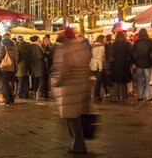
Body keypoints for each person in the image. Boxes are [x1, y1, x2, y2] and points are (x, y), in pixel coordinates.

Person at [51, 27, 92, 155]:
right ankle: (78, 143)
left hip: (69, 87)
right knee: (76, 116)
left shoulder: (64, 50)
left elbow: (62, 70)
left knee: (72, 117)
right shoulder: (82, 48)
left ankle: (78, 145)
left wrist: (56, 83)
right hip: (81, 85)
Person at [132, 28, 152, 101]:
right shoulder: (150, 42)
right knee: (148, 81)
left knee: (140, 80)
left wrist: (134, 62)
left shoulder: (136, 42)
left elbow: (133, 53)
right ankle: (148, 96)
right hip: (148, 63)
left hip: (138, 63)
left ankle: (140, 96)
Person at [110, 31, 133, 102]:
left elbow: (111, 55)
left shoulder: (114, 45)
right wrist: (130, 63)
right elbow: (130, 55)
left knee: (116, 81)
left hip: (116, 65)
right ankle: (124, 96)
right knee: (124, 81)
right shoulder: (127, 44)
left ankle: (116, 96)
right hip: (125, 65)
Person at [0, 33, 17, 107]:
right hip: (11, 67)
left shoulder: (3, 45)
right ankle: (11, 99)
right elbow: (16, 56)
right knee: (7, 83)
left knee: (4, 84)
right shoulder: (14, 45)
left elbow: (0, 55)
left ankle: (7, 101)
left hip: (4, 67)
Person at [28, 35, 45, 100]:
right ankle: (38, 94)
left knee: (34, 81)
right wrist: (45, 54)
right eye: (38, 38)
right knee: (41, 80)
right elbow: (40, 56)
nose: (39, 39)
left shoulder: (30, 47)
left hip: (33, 66)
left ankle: (34, 94)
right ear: (36, 40)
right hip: (39, 66)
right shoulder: (37, 47)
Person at [90, 35, 106, 102]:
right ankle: (96, 95)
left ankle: (96, 95)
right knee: (99, 81)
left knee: (97, 80)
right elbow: (100, 57)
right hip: (98, 65)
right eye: (104, 39)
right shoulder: (101, 47)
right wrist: (101, 67)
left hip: (93, 64)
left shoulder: (94, 46)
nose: (105, 40)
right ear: (102, 39)